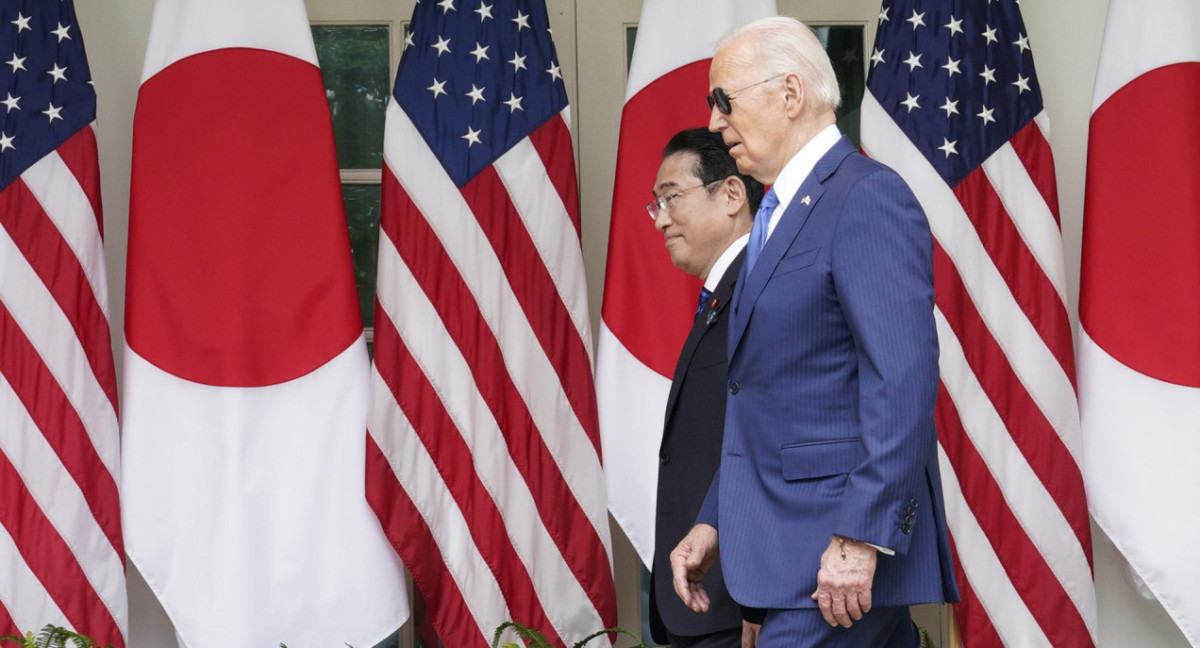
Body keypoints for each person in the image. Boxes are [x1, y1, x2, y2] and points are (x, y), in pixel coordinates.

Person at [670, 16, 959, 648]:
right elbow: (767, 395)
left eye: (724, 100)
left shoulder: (865, 198)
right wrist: (716, 520)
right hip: (787, 561)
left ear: (790, 94)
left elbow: (902, 379)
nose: (715, 122)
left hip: (836, 560)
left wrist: (861, 538)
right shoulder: (774, 213)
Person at [647, 128, 764, 648]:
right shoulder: (722, 296)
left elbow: (769, 442)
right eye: (656, 203)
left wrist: (760, 596)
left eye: (672, 197)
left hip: (738, 605)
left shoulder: (763, 289)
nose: (661, 218)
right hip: (701, 601)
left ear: (732, 195)